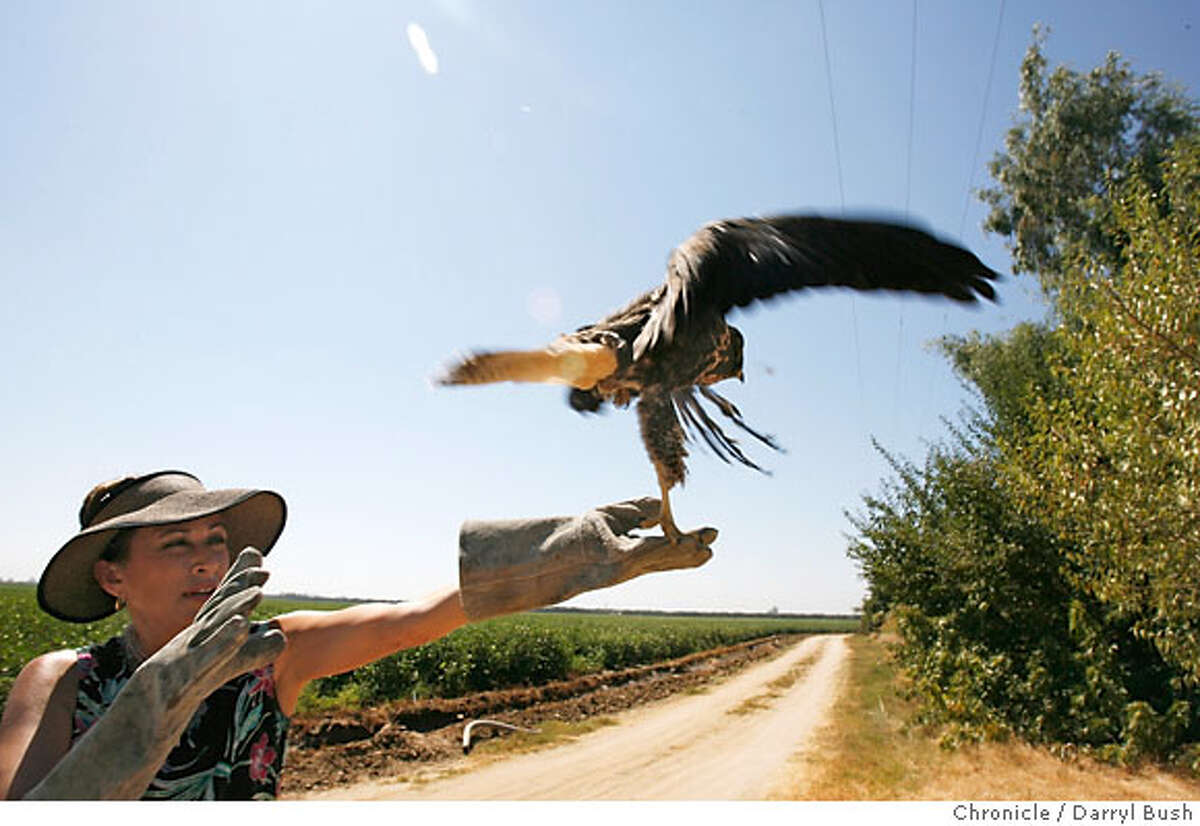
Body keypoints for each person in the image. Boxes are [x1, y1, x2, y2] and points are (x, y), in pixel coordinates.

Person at [0, 470, 715, 800]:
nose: (208, 559)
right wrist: (145, 712)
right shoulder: (63, 681)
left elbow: (415, 620)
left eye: (214, 538)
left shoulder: (270, 653)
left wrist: (557, 559)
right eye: (175, 543)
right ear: (111, 578)